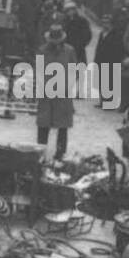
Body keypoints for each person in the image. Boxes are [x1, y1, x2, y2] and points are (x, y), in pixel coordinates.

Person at [36, 25, 76, 159]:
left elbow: (74, 70)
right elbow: (38, 71)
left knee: (63, 125)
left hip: (63, 92)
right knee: (43, 124)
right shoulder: (42, 51)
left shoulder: (70, 51)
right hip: (46, 92)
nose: (56, 45)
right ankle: (40, 151)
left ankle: (60, 153)